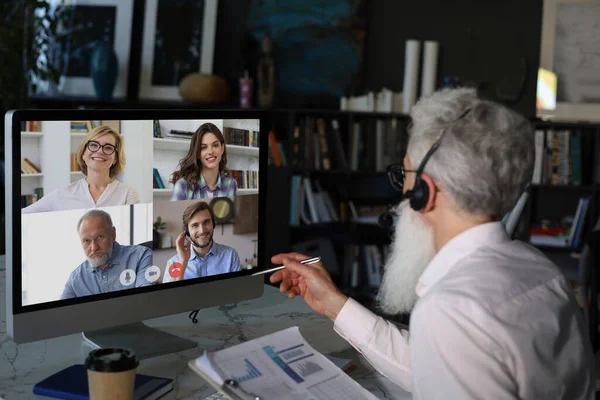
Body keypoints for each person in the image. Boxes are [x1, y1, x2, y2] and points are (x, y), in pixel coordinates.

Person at [270, 88, 595, 399]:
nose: (402, 191)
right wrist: (336, 306)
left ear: (425, 191)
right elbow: (439, 364)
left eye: (405, 174)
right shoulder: (538, 266)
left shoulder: (450, 310)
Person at [22, 125, 139, 214]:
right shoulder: (62, 194)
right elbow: (22, 215)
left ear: (115, 159)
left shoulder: (128, 193)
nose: (99, 151)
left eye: (108, 148)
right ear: (83, 153)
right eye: (93, 145)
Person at [61, 209, 152, 299]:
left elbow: (145, 300)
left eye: (100, 237)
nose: (94, 248)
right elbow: (60, 312)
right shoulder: (76, 279)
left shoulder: (141, 256)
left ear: (113, 234)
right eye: (86, 241)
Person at [162, 201, 241, 282]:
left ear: (213, 224)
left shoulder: (230, 255)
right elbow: (173, 294)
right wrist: (183, 262)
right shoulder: (173, 263)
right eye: (195, 225)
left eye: (206, 222)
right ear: (187, 231)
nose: (202, 231)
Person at [169, 123, 238, 200]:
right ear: (197, 153)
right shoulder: (182, 185)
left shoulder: (231, 184)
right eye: (203, 147)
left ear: (222, 148)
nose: (210, 151)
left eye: (215, 145)